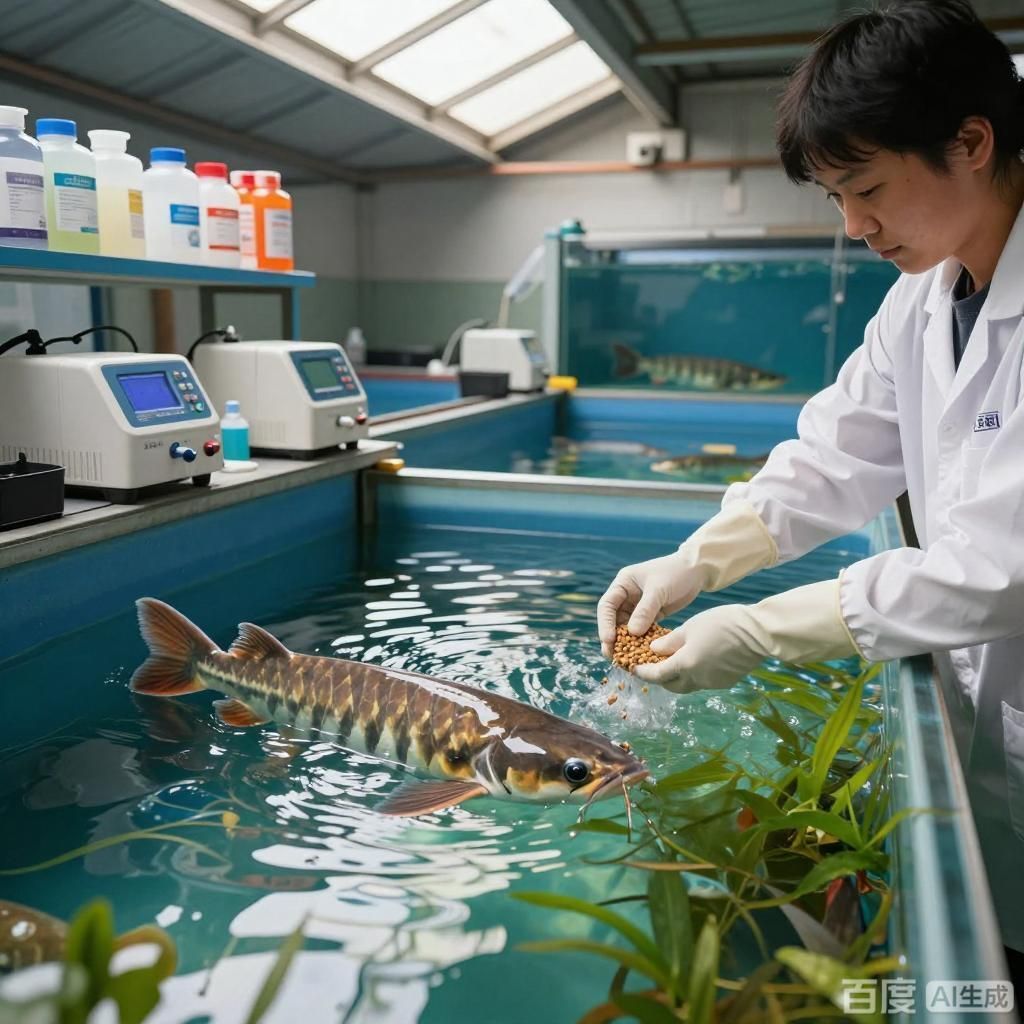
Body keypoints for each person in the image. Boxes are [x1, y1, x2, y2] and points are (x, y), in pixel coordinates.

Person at [597, 0, 1024, 1001]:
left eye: (865, 187)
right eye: (836, 194)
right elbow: (831, 455)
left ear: (970, 141)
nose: (853, 225)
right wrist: (695, 560)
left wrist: (751, 631)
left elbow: (997, 565)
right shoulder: (921, 299)